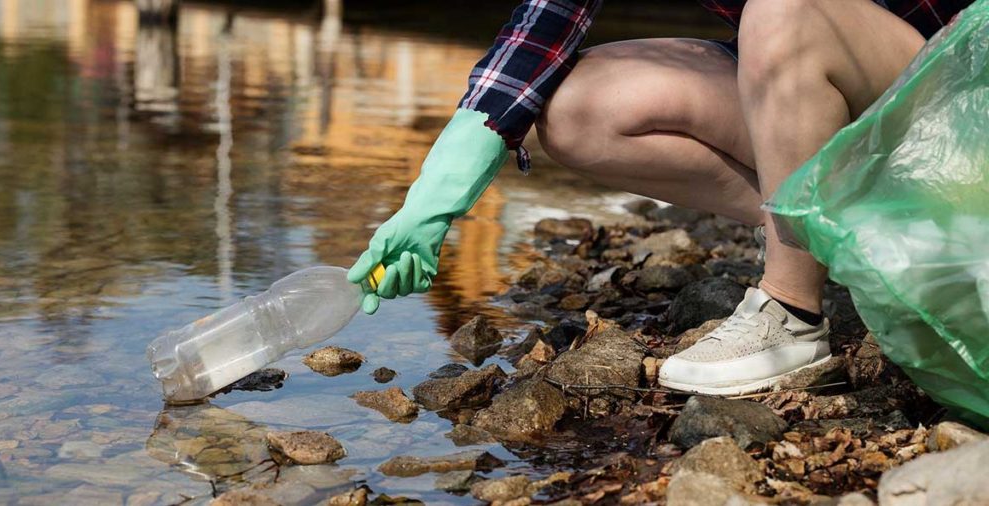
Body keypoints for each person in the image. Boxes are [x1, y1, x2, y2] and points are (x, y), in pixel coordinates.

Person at [347, 0, 972, 396]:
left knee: (783, 10)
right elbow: (548, 18)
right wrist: (442, 183)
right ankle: (830, 228)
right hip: (845, 90)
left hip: (964, 105)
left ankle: (792, 314)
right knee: (576, 107)